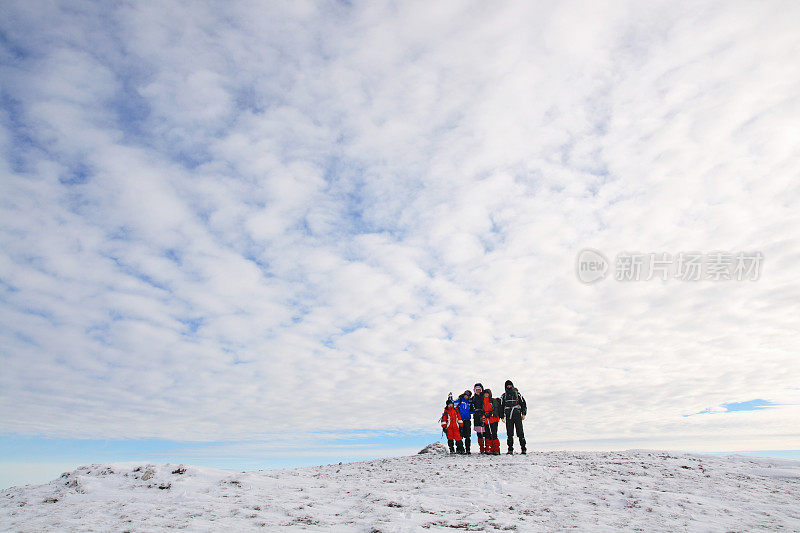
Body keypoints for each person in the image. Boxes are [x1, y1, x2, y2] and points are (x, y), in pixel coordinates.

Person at [500, 379, 527, 454]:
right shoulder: (503, 396)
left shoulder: (517, 394)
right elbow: (501, 406)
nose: (509, 386)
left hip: (517, 414)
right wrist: (502, 416)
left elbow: (523, 404)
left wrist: (523, 413)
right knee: (509, 433)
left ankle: (523, 448)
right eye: (507, 385)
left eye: (510, 385)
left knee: (520, 432)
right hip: (509, 416)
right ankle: (510, 449)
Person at [482, 388, 502, 455]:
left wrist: (491, 414)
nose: (486, 395)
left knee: (494, 433)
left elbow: (496, 410)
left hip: (493, 419)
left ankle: (496, 449)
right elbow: (482, 411)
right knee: (487, 434)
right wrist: (483, 417)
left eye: (487, 393)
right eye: (485, 394)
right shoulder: (483, 402)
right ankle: (488, 448)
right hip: (486, 420)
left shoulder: (493, 401)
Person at [470, 383, 487, 453]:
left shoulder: (484, 396)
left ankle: (487, 447)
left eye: (479, 390)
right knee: (479, 432)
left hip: (483, 414)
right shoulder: (473, 398)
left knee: (486, 432)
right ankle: (481, 447)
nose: (478, 391)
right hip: (476, 415)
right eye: (476, 390)